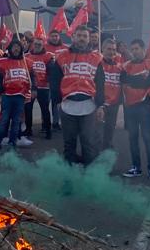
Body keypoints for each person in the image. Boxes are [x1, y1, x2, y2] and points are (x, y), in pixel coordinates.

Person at [48, 25, 105, 165]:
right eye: (79, 35)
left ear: (88, 39)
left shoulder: (97, 58)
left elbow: (100, 83)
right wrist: (57, 101)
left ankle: (88, 177)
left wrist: (100, 105)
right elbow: (54, 81)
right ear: (73, 37)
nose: (82, 38)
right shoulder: (62, 57)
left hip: (89, 105)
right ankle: (70, 175)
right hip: (68, 105)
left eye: (84, 36)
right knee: (69, 143)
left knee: (88, 142)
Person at [119, 38, 150, 179]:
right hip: (130, 106)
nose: (135, 51)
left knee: (147, 137)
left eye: (137, 48)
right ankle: (136, 167)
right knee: (132, 138)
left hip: (145, 105)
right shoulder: (126, 66)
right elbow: (123, 81)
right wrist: (139, 81)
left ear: (143, 49)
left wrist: (134, 81)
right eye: (133, 49)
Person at [0, 39, 33, 150]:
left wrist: (33, 88)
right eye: (14, 47)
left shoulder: (27, 62)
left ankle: (12, 144)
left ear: (21, 49)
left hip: (20, 96)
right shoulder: (2, 62)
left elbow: (32, 77)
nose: (16, 49)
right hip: (7, 96)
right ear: (10, 49)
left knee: (16, 122)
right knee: (3, 121)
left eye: (18, 47)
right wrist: (0, 90)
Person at [24, 38, 55, 141]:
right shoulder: (27, 56)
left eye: (39, 44)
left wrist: (52, 84)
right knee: (28, 109)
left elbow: (51, 72)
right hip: (30, 87)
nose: (37, 46)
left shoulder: (48, 56)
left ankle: (48, 130)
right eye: (36, 44)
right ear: (33, 44)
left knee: (45, 109)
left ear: (43, 45)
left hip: (43, 87)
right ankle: (28, 129)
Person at [98, 38, 123, 151]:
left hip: (114, 104)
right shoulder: (97, 64)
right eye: (109, 49)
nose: (111, 52)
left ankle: (107, 149)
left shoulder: (119, 66)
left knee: (110, 129)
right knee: (97, 131)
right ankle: (94, 154)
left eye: (114, 49)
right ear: (102, 49)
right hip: (100, 103)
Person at [45, 28, 68, 132]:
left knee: (58, 102)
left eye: (56, 36)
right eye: (53, 36)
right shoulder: (44, 48)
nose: (54, 38)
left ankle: (56, 122)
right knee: (46, 103)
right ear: (49, 37)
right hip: (46, 80)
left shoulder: (65, 48)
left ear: (59, 37)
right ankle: (45, 123)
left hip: (62, 79)